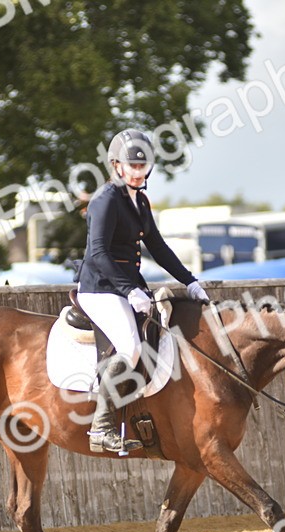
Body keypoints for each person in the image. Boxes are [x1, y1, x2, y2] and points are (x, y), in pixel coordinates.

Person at [77, 129, 209, 453]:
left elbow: (158, 249)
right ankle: (100, 428)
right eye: (132, 166)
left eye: (143, 166)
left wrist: (189, 281)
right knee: (131, 349)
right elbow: (98, 253)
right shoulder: (106, 200)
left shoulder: (140, 201)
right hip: (100, 290)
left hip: (125, 289)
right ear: (116, 166)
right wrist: (129, 290)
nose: (138, 172)